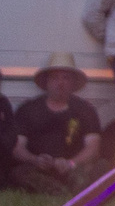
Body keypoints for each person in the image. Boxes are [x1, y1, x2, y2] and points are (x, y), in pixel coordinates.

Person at [11, 54, 105, 191]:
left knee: (102, 166)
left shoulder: (86, 110)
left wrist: (71, 163)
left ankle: (74, 188)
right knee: (18, 173)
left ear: (73, 83)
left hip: (74, 168)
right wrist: (35, 160)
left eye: (65, 78)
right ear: (47, 82)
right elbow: (17, 148)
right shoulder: (28, 109)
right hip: (39, 169)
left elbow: (93, 148)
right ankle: (58, 190)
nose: (60, 83)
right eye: (55, 78)